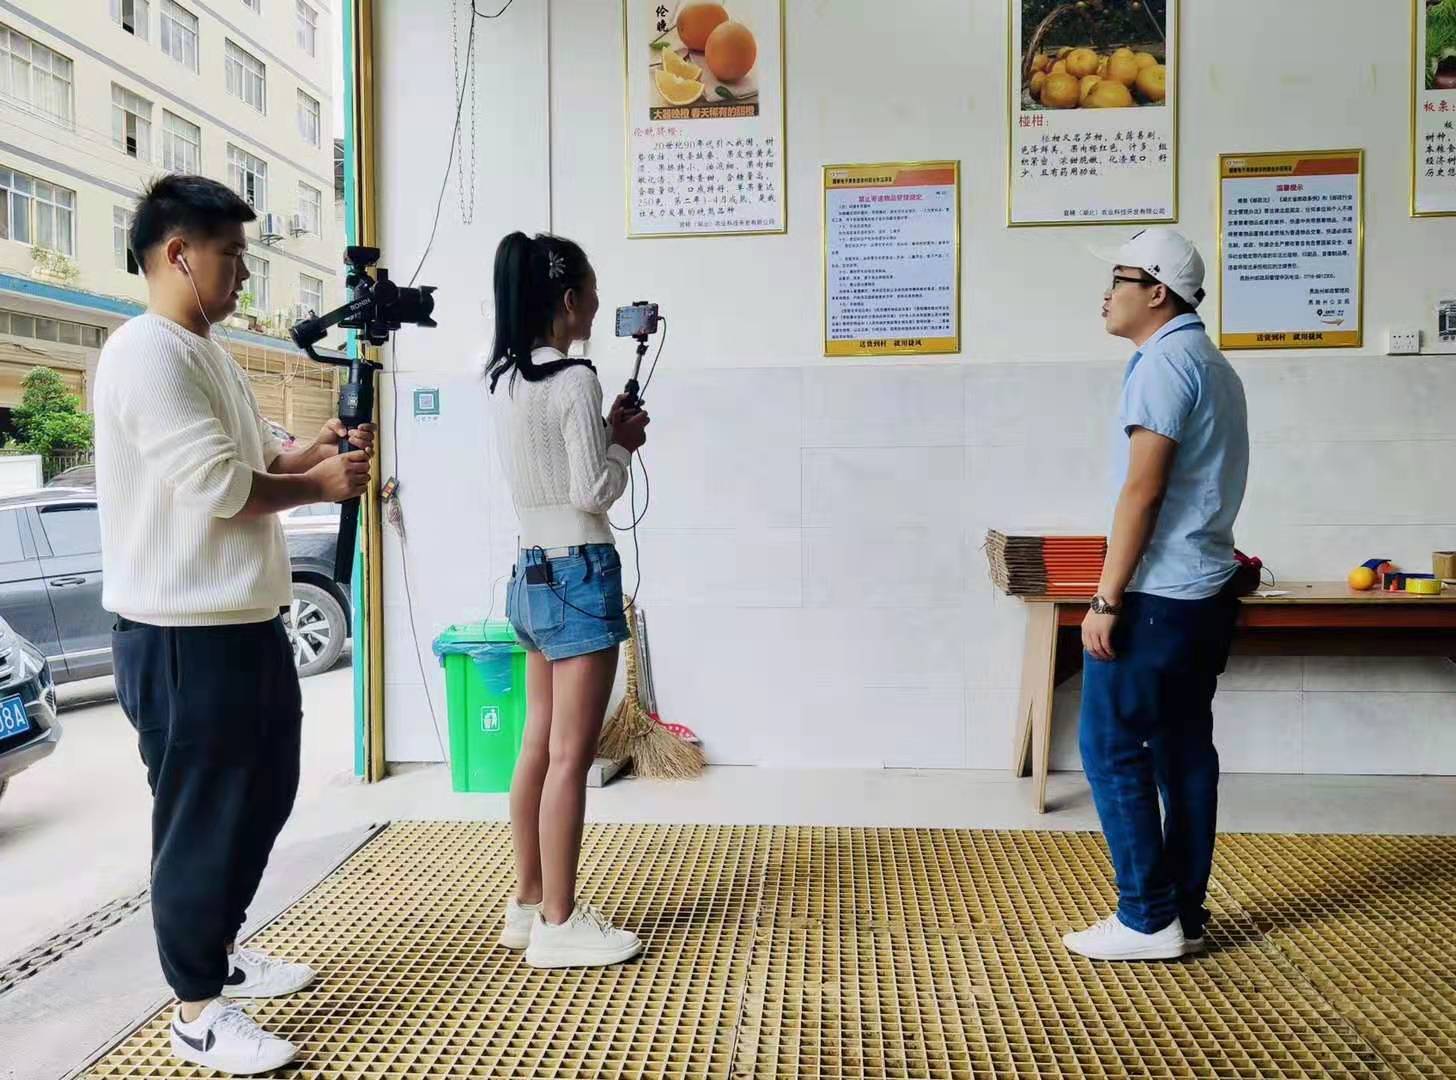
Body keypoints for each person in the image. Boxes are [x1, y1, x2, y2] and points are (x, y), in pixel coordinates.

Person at [94, 175, 374, 1075]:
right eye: (232, 255)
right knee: (203, 821)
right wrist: (317, 485)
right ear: (178, 254)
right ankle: (196, 1013)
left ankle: (219, 954)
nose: (245, 272)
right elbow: (219, 486)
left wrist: (316, 451)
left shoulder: (206, 351)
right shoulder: (146, 352)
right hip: (180, 634)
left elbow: (256, 459)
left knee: (266, 794)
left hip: (244, 621)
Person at [1062, 228, 1251, 963]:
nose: (1106, 294)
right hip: (1203, 589)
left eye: (1119, 279)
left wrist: (1106, 598)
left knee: (1110, 747)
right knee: (1184, 749)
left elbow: (1143, 491)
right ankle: (1184, 915)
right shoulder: (1210, 362)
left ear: (1157, 292)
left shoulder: (1164, 365)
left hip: (1157, 595)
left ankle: (1146, 918)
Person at [486, 232, 649, 969]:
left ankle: (527, 903)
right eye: (592, 291)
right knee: (571, 756)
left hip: (529, 572)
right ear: (569, 299)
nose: (598, 304)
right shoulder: (577, 378)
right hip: (580, 572)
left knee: (538, 745)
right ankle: (560, 922)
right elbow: (593, 490)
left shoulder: (505, 377)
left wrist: (605, 435)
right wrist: (621, 445)